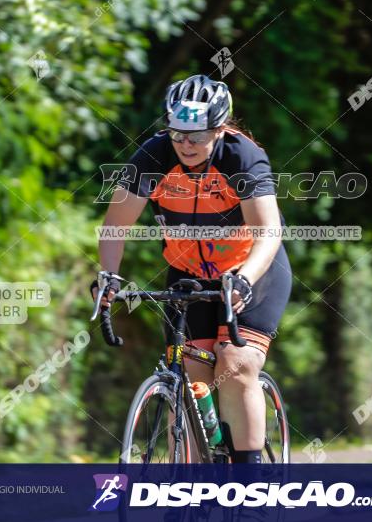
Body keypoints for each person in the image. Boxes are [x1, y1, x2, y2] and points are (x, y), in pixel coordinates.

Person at [91, 74, 292, 464]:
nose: (185, 145)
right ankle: (187, 492)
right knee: (189, 377)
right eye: (177, 134)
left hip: (250, 269)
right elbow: (114, 225)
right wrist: (109, 277)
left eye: (196, 137)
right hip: (188, 275)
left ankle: (250, 491)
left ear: (218, 130)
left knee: (235, 362)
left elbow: (269, 232)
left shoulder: (242, 157)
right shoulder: (152, 157)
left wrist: (246, 279)